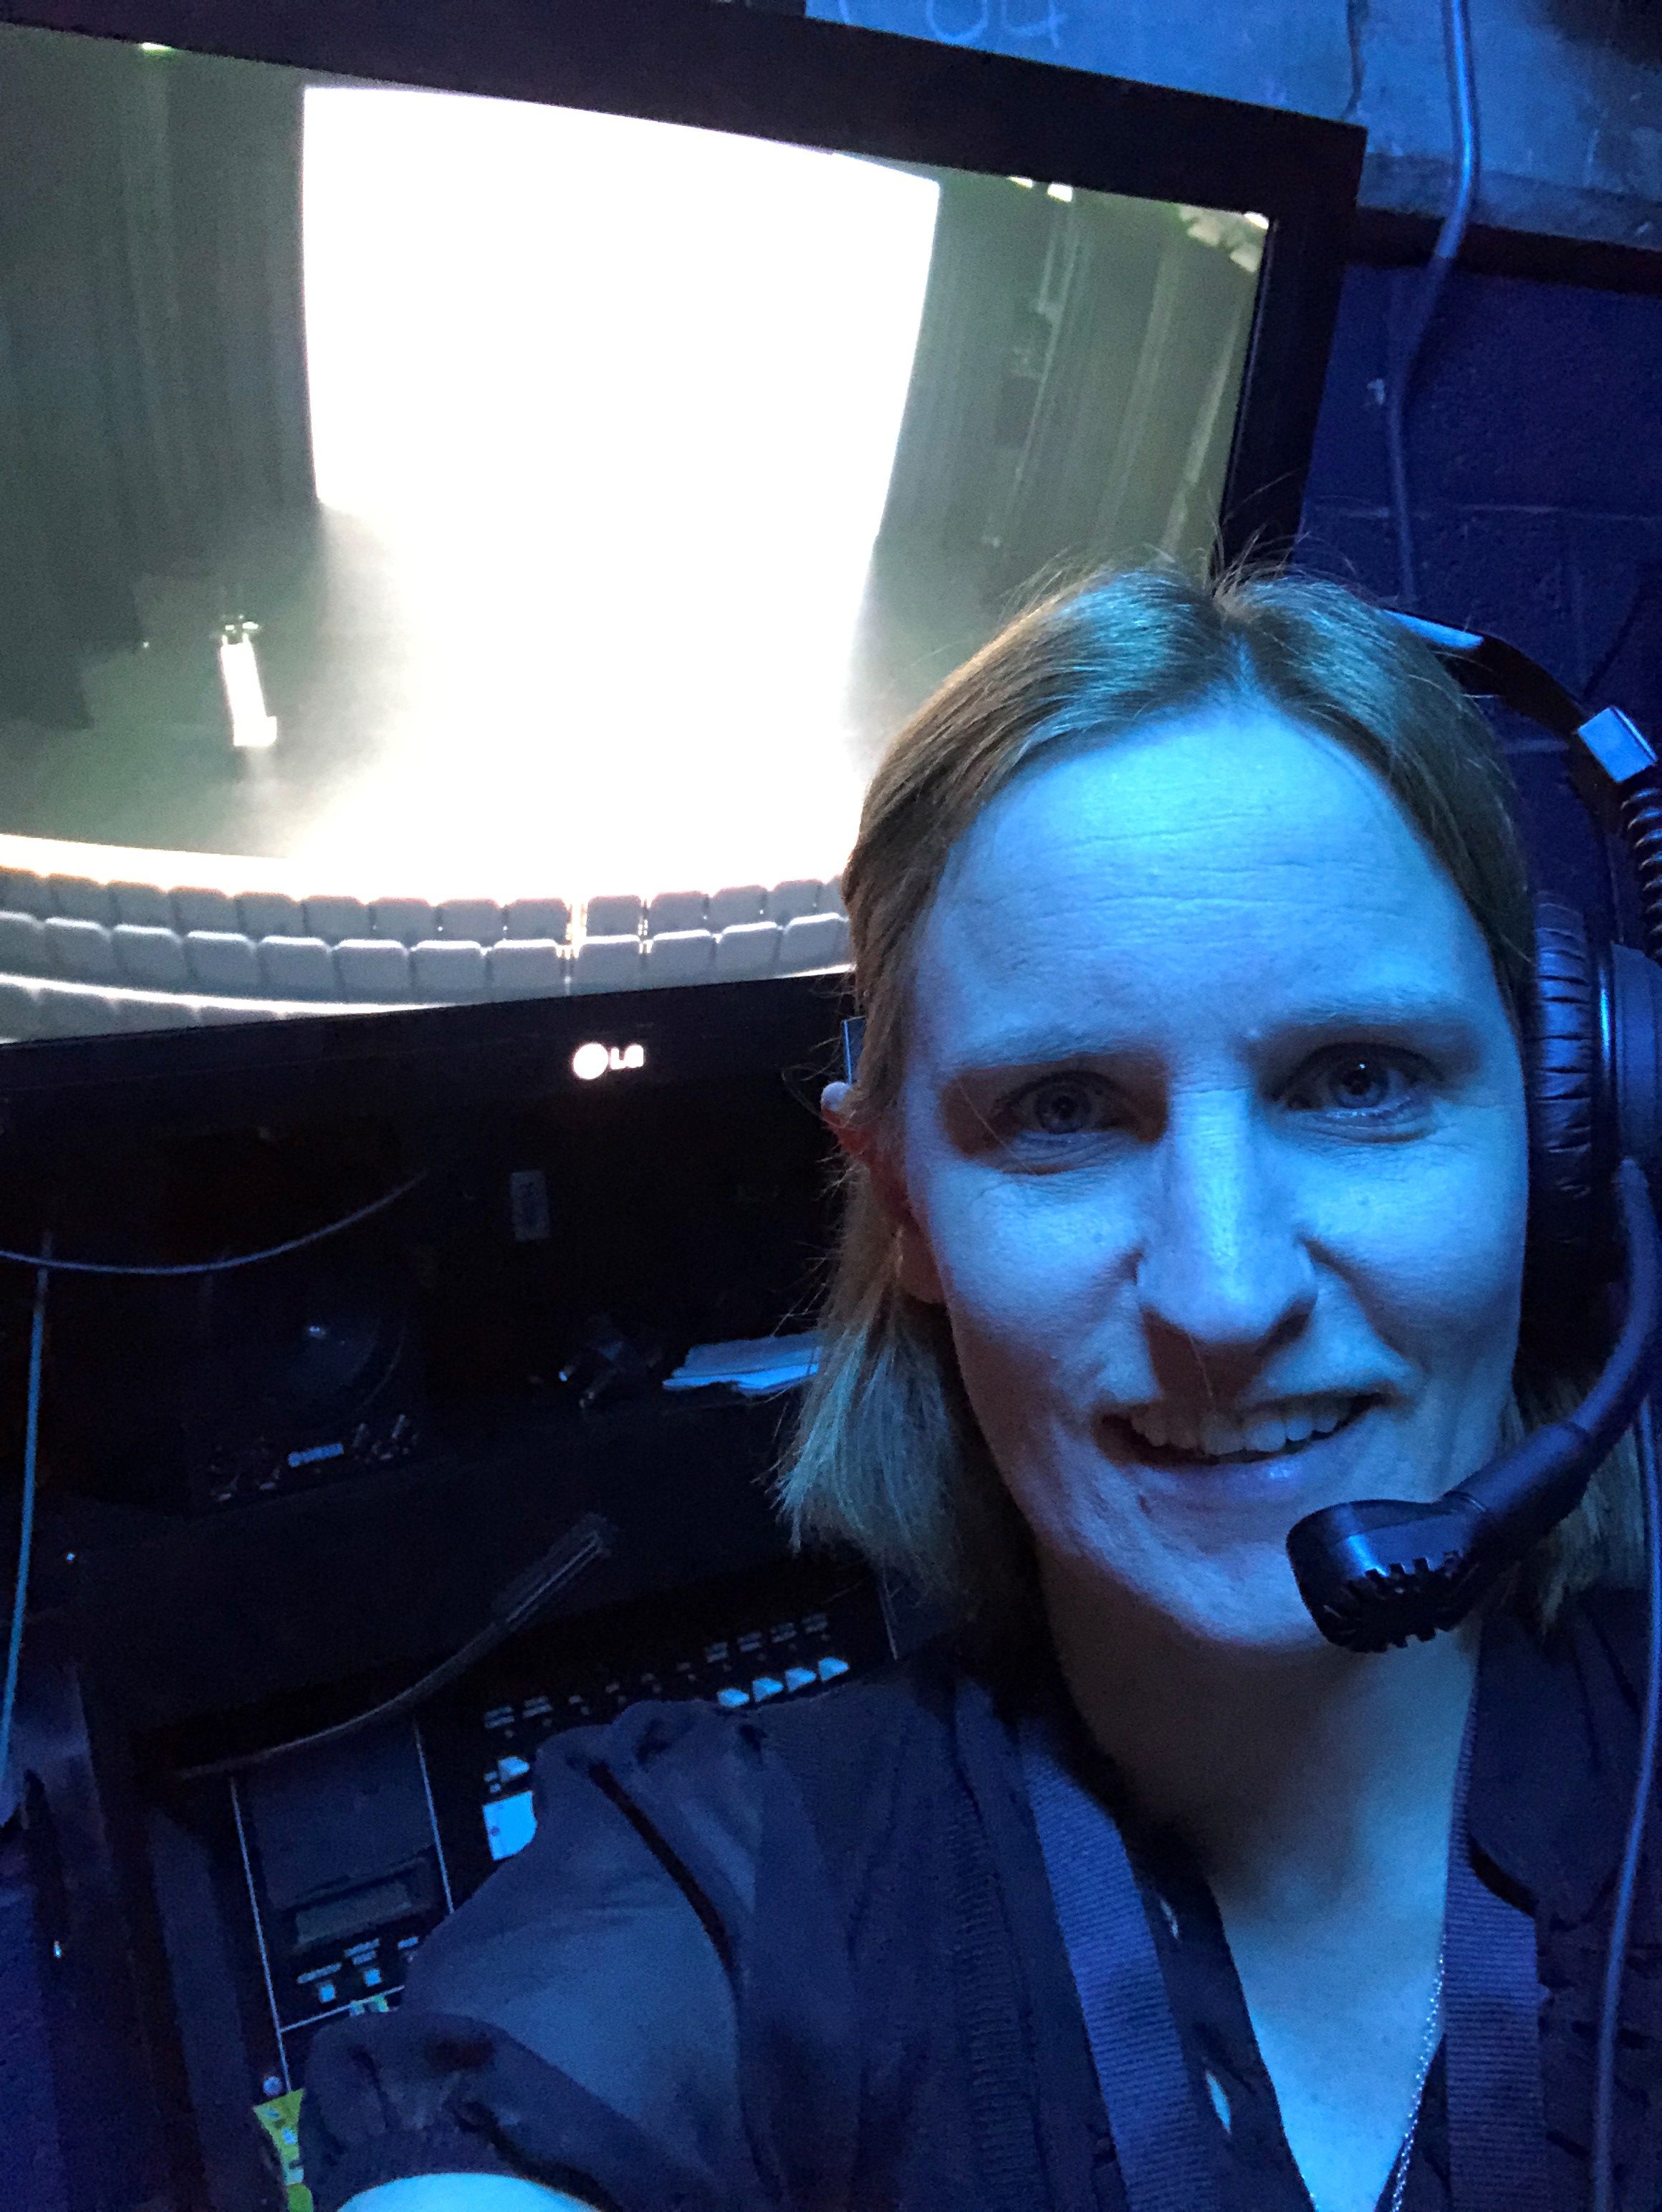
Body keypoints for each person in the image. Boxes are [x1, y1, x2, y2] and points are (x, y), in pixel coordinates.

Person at [299, 562, 1662, 2212]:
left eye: (1356, 1078)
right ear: (903, 1205)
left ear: (1566, 1137)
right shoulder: (710, 1889)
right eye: (1062, 1109)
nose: (1223, 1292)